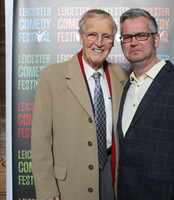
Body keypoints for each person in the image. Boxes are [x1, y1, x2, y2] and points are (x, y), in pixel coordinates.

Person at [31, 9, 129, 200]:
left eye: (106, 36)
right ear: (81, 38)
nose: (99, 43)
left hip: (112, 175)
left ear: (113, 41)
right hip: (69, 183)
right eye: (92, 34)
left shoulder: (123, 77)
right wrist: (47, 190)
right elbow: (40, 142)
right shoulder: (51, 77)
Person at [117, 8, 174, 200]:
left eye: (141, 35)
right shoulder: (125, 86)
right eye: (127, 37)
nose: (133, 42)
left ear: (156, 40)